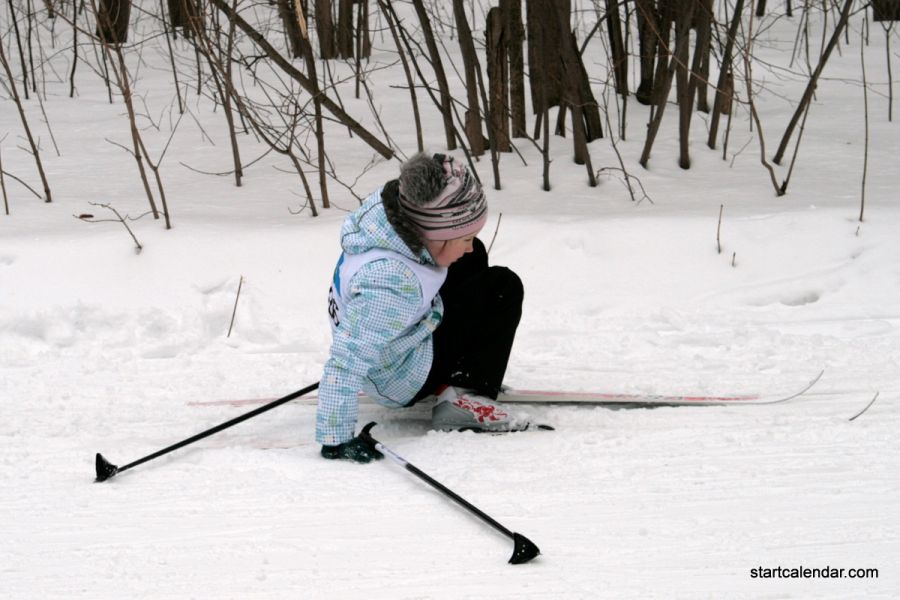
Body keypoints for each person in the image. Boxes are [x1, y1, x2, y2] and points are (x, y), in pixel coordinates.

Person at [317, 153, 526, 463]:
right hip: (400, 378)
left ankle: (458, 371)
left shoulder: (392, 213)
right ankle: (463, 394)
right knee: (502, 287)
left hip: (396, 342)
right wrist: (336, 440)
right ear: (435, 234)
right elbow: (347, 360)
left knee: (472, 258)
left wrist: (463, 242)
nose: (469, 243)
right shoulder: (389, 284)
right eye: (464, 236)